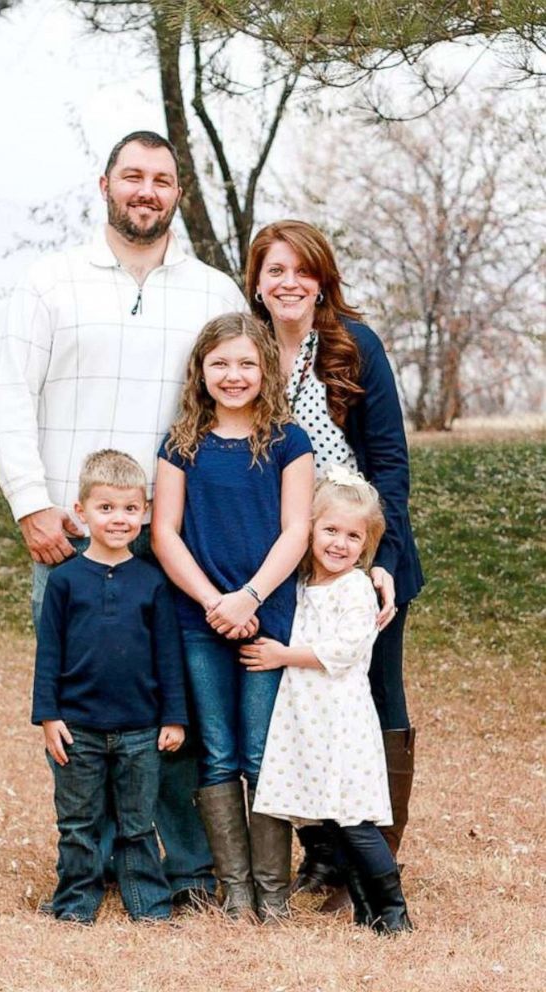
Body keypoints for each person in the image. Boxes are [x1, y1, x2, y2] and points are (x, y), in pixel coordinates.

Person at [0, 130, 245, 906]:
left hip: (173, 541)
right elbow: (7, 397)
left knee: (175, 708)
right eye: (132, 176)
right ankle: (88, 865)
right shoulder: (49, 282)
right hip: (71, 541)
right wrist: (32, 502)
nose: (146, 191)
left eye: (161, 180)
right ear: (104, 184)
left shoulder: (212, 292)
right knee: (79, 705)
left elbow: (239, 402)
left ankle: (185, 866)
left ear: (178, 195)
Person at [245, 220, 424, 905]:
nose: (287, 282)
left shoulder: (353, 347)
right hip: (286, 556)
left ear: (321, 279)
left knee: (374, 696)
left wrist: (384, 559)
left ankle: (375, 860)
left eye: (301, 269)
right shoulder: (247, 349)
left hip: (360, 549)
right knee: (301, 699)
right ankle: (320, 854)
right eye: (273, 270)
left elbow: (389, 463)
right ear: (256, 283)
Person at [152, 312, 314, 921]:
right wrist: (213, 602)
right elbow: (165, 533)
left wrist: (248, 597)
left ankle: (272, 893)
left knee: (261, 751)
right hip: (200, 620)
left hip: (267, 615)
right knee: (217, 751)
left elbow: (296, 528)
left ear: (265, 369)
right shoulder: (181, 443)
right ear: (200, 370)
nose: (234, 374)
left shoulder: (287, 440)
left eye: (246, 362)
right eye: (220, 363)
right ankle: (236, 888)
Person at [243, 471, 413, 934]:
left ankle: (394, 911)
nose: (339, 543)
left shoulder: (355, 588)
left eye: (353, 536)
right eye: (330, 530)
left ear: (367, 544)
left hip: (341, 720)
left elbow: (345, 650)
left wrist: (281, 656)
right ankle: (365, 908)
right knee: (330, 822)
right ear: (310, 529)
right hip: (307, 718)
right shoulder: (301, 586)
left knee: (354, 818)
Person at [32, 450, 187, 923]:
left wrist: (174, 716)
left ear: (144, 512)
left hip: (141, 728)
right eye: (106, 508)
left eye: (129, 508)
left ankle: (149, 904)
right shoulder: (64, 582)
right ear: (81, 512)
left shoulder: (153, 582)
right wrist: (48, 716)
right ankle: (76, 903)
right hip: (78, 728)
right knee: (78, 823)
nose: (118, 519)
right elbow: (49, 654)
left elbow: (168, 655)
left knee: (138, 824)